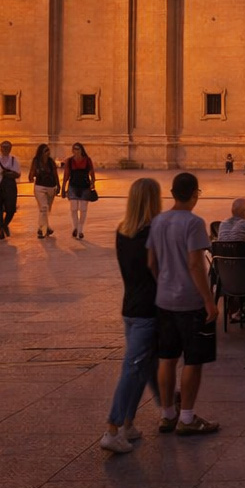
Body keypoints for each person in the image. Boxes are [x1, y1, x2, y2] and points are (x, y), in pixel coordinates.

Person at [147, 171, 220, 436]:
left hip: (164, 300)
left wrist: (164, 285)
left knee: (167, 358)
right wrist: (209, 301)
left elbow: (151, 263)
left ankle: (167, 415)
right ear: (193, 194)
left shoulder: (158, 221)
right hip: (190, 302)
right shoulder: (194, 222)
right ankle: (187, 418)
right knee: (193, 360)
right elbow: (195, 264)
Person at [102, 177, 162, 454]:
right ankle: (112, 429)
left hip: (130, 306)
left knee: (145, 366)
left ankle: (129, 423)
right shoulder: (152, 234)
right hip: (148, 309)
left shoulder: (122, 231)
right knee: (133, 367)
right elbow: (157, 272)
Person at [0, 140, 22, 239]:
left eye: (7, 147)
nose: (5, 149)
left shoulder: (14, 160)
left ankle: (5, 224)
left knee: (10, 210)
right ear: (0, 148)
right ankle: (1, 230)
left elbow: (18, 173)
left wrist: (8, 173)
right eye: (4, 147)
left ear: (10, 148)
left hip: (10, 188)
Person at [63, 142, 96, 239]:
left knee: (83, 209)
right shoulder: (69, 161)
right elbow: (66, 174)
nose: (76, 151)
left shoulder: (87, 160)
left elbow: (92, 172)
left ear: (81, 150)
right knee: (73, 209)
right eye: (74, 149)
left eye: (78, 149)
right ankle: (75, 227)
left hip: (85, 186)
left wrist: (93, 182)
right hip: (73, 186)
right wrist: (63, 187)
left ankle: (80, 230)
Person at [27, 143, 58, 238]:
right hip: (40, 187)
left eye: (48, 150)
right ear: (41, 152)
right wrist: (31, 176)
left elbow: (55, 174)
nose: (48, 152)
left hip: (51, 187)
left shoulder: (51, 162)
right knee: (43, 207)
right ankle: (42, 229)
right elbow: (31, 173)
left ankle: (46, 227)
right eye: (45, 151)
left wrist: (59, 186)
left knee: (46, 209)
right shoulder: (36, 161)